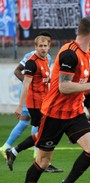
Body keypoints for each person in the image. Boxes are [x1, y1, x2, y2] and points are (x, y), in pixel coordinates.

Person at [14, 17, 90, 183]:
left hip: (74, 113)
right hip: (54, 114)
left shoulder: (88, 53)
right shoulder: (69, 54)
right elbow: (63, 87)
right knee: (43, 161)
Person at [1, 31, 63, 173]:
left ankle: (15, 152)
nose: (43, 48)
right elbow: (26, 85)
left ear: (49, 46)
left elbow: (46, 81)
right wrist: (19, 105)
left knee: (43, 132)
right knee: (44, 131)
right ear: (35, 46)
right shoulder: (31, 62)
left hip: (44, 101)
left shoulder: (47, 59)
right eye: (40, 45)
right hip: (35, 104)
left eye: (45, 45)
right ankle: (40, 161)